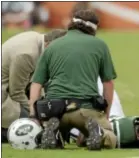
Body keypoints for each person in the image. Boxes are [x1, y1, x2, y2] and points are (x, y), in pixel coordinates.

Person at [29, 9, 117, 150]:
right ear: (94, 27)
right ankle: (97, 134)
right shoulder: (100, 45)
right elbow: (108, 83)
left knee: (53, 130)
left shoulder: (52, 46)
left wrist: (34, 115)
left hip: (54, 110)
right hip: (85, 110)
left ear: (71, 23)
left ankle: (55, 135)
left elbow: (36, 83)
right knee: (111, 138)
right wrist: (105, 115)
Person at [1, 29, 67, 143]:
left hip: (11, 92)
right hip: (5, 97)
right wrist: (37, 114)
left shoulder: (37, 40)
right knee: (33, 130)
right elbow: (16, 92)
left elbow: (33, 84)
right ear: (49, 45)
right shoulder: (27, 54)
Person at [74, 115, 139, 149]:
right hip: (115, 116)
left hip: (105, 122)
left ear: (138, 135)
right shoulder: (133, 126)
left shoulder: (122, 134)